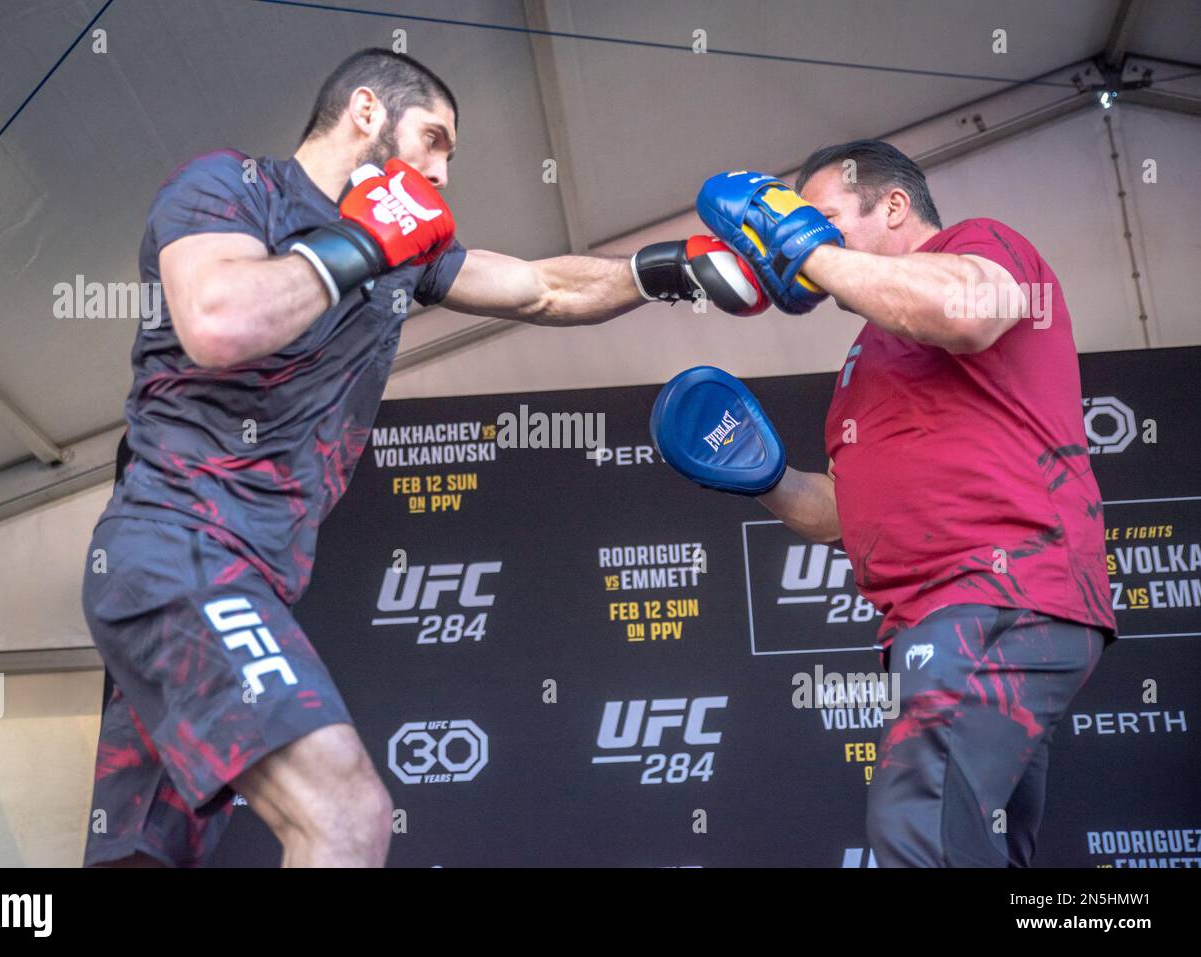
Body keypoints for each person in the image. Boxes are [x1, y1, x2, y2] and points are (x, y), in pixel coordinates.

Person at [82, 47, 762, 868]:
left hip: (241, 576)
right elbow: (218, 320)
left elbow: (545, 288)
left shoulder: (410, 252)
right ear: (366, 111)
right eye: (433, 139)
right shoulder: (230, 188)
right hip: (179, 549)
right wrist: (360, 243)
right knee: (345, 816)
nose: (441, 171)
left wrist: (669, 269)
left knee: (140, 857)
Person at [653, 140, 1116, 866]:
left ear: (894, 204)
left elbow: (966, 310)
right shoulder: (867, 356)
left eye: (818, 216)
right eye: (791, 222)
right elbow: (852, 513)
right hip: (935, 616)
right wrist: (767, 477)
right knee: (976, 848)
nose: (797, 238)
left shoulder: (982, 246)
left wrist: (801, 244)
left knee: (916, 836)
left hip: (1000, 594)